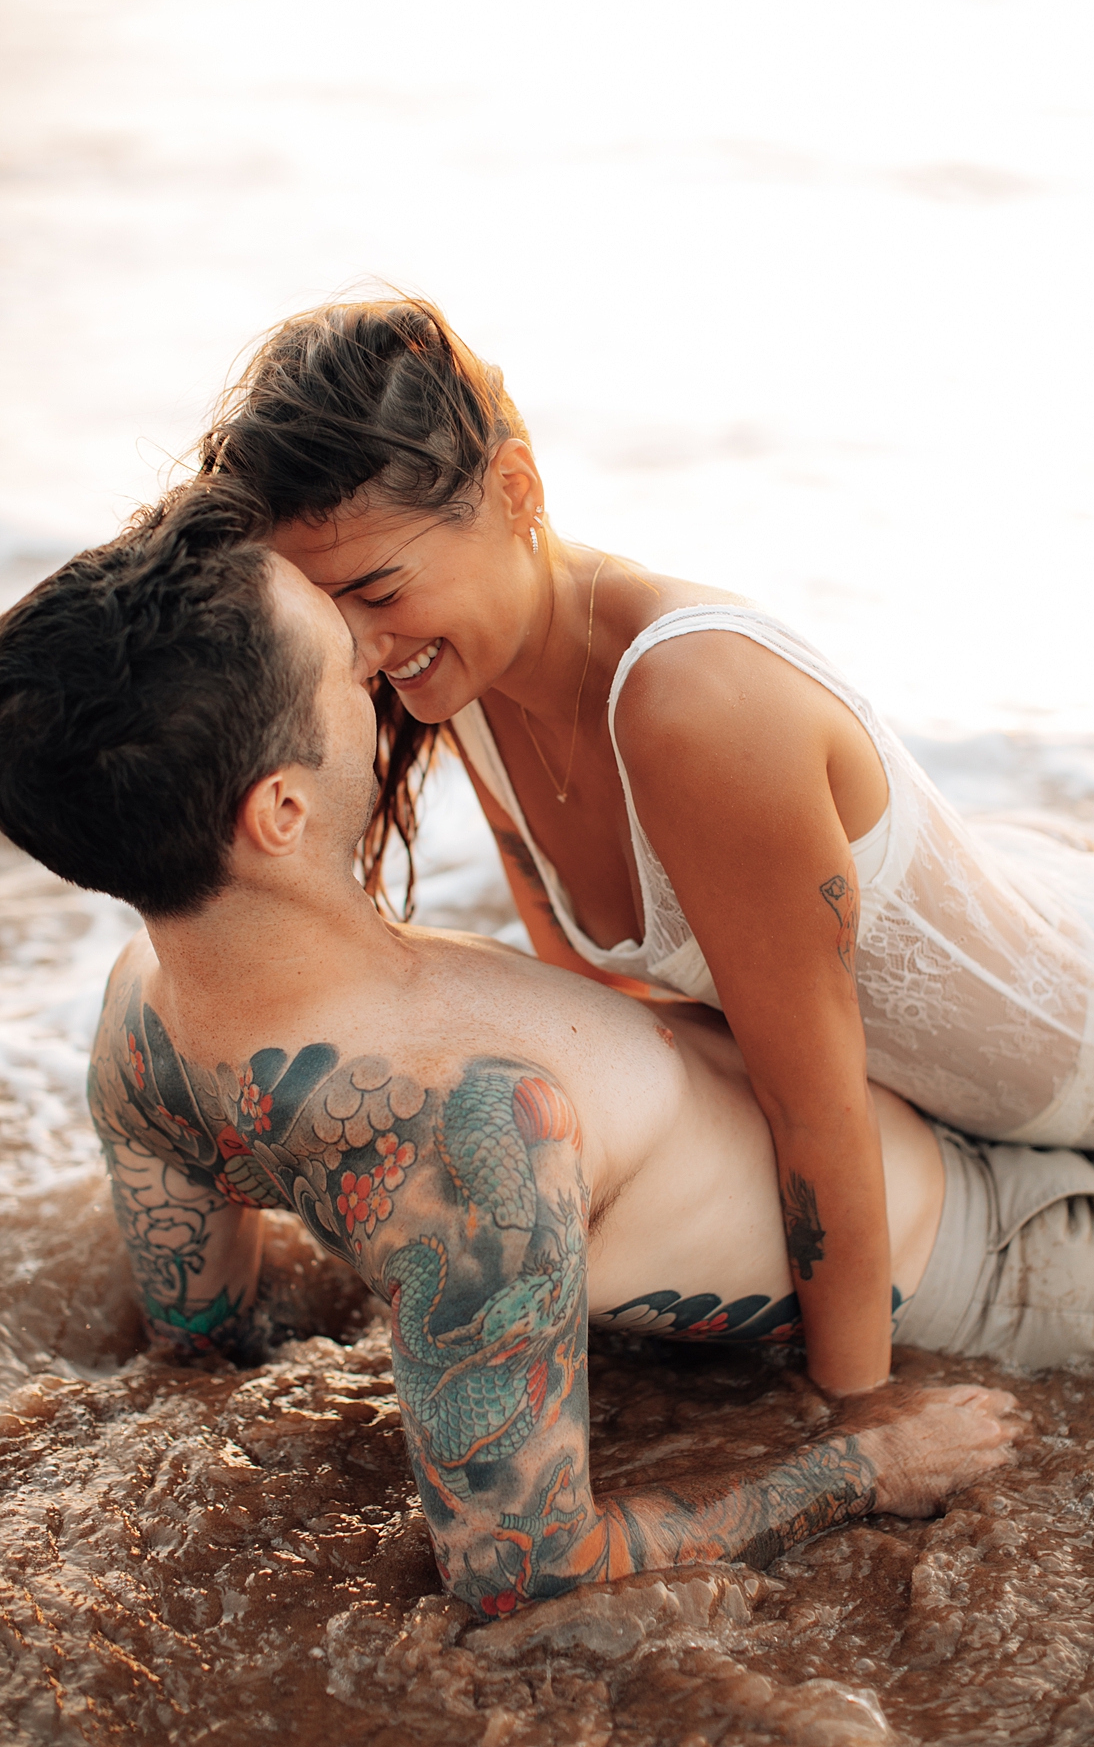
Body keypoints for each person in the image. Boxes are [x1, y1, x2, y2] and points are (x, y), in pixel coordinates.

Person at [0, 489, 1028, 1618]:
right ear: (280, 810)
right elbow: (522, 1569)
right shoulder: (470, 1127)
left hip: (923, 1130)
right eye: (338, 660)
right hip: (997, 1247)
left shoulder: (139, 1022)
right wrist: (867, 1464)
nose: (372, 654)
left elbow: (206, 1345)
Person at [191, 295, 1094, 1402]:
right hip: (1017, 978)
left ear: (517, 490)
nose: (360, 648)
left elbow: (814, 1114)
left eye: (379, 589)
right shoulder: (466, 684)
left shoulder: (695, 709)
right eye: (325, 607)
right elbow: (612, 1003)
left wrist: (853, 1419)